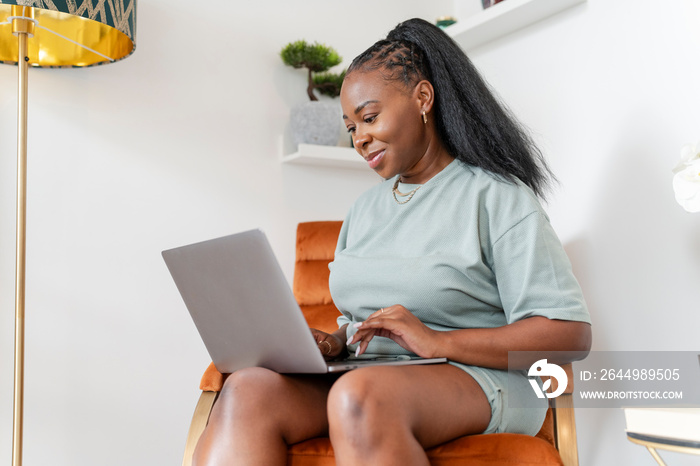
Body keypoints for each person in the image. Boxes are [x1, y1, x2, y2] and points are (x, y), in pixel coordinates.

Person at [193, 18, 592, 466]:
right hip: (368, 374)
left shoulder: (497, 196)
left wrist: (437, 342)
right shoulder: (365, 210)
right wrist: (335, 343)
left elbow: (569, 335)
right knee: (247, 389)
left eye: (369, 117)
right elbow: (361, 321)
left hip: (477, 376)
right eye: (351, 128)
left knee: (358, 397)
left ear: (422, 98)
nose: (360, 138)